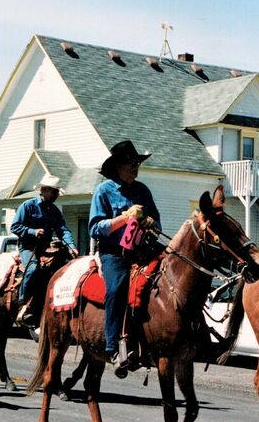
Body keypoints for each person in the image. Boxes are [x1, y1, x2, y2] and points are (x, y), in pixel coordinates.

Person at [88, 140, 161, 377]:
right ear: (118, 166)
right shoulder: (104, 191)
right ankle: (112, 345)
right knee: (117, 288)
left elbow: (157, 223)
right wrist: (122, 219)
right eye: (130, 163)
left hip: (141, 250)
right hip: (114, 253)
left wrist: (151, 223)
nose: (135, 167)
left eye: (137, 163)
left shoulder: (143, 190)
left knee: (167, 279)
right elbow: (94, 228)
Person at [10, 174, 78, 327]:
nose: (57, 195)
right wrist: (33, 232)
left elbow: (62, 230)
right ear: (45, 190)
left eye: (57, 192)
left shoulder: (54, 211)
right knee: (33, 268)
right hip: (28, 247)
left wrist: (71, 246)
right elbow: (15, 227)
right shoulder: (27, 206)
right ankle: (23, 302)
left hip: (45, 247)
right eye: (54, 191)